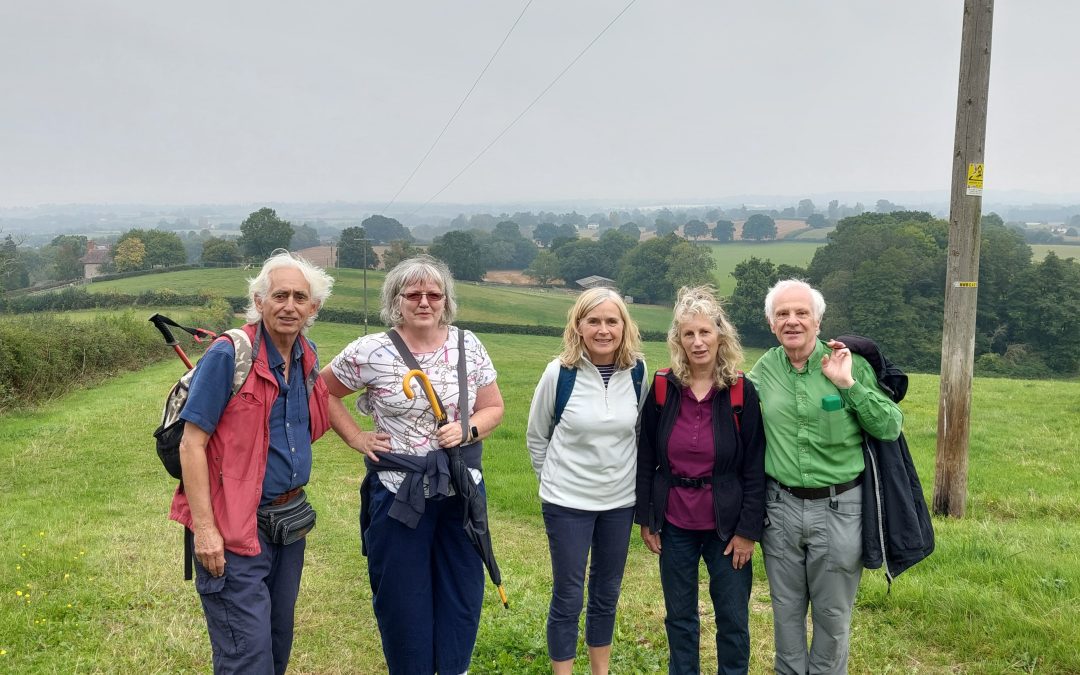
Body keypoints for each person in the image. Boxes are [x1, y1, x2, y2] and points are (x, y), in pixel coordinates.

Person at [320, 254, 504, 675]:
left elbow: (493, 407)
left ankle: (453, 668)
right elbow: (322, 390)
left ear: (446, 301)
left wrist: (468, 429)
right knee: (403, 597)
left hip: (460, 490)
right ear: (396, 300)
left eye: (433, 294)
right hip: (397, 492)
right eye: (413, 294)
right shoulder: (370, 350)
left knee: (461, 591)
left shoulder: (468, 345)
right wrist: (355, 436)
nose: (424, 302)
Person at [170, 250, 334, 674]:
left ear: (312, 308)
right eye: (279, 295)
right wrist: (205, 530)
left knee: (277, 644)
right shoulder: (230, 354)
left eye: (300, 297)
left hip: (287, 525)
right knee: (247, 655)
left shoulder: (306, 355)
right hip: (233, 528)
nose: (289, 305)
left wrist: (363, 438)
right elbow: (192, 445)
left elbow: (322, 410)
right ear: (259, 302)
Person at [747, 279, 903, 675]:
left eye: (802, 313)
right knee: (785, 614)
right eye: (782, 314)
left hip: (840, 509)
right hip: (779, 509)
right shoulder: (764, 370)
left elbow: (889, 426)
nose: (792, 321)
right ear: (771, 323)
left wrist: (847, 385)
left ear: (818, 321)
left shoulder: (848, 364)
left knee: (833, 619)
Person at [636, 286, 766, 675]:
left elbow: (756, 466)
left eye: (705, 332)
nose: (697, 342)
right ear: (678, 340)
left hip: (727, 527)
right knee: (679, 617)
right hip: (674, 521)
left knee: (732, 618)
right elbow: (645, 459)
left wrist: (748, 531)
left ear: (720, 336)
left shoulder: (741, 390)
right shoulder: (663, 387)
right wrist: (647, 518)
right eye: (688, 334)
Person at [525, 287, 646, 675]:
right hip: (567, 504)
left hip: (618, 503)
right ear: (578, 325)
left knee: (606, 594)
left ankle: (600, 671)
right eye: (594, 321)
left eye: (612, 321)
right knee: (568, 595)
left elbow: (641, 433)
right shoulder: (559, 372)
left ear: (625, 326)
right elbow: (537, 435)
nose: (603, 329)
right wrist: (555, 480)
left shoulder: (639, 372)